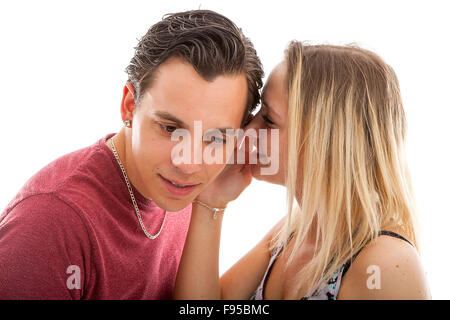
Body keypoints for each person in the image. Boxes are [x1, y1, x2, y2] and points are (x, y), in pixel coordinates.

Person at [0, 10, 263, 299]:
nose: (188, 164)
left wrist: (211, 206)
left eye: (216, 138)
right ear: (129, 105)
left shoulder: (194, 194)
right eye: (170, 128)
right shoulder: (49, 224)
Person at [174, 41, 431, 299]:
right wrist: (212, 200)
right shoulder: (290, 233)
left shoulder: (386, 266)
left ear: (327, 141)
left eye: (269, 119)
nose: (247, 130)